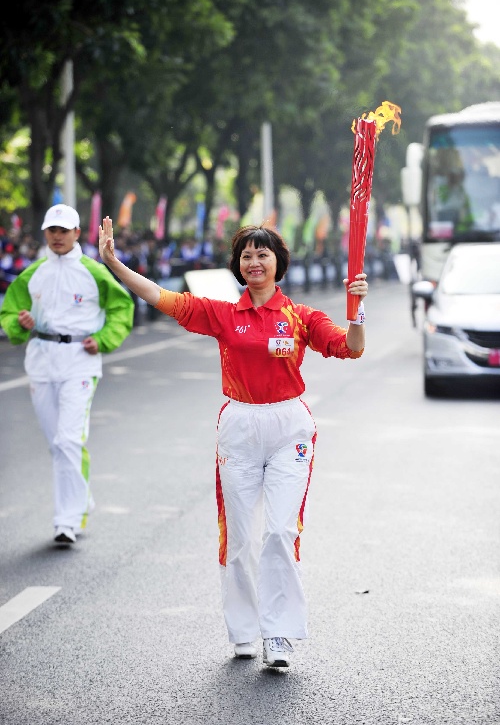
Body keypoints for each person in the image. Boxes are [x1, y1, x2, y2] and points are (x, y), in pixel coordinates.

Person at [98, 216, 368, 668]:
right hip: (240, 427)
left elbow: (352, 348)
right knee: (240, 536)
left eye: (263, 254)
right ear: (239, 267)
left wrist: (357, 311)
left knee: (281, 530)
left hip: (289, 428)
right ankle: (244, 629)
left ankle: (279, 633)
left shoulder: (301, 317)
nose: (254, 261)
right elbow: (159, 297)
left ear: (278, 263)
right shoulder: (223, 315)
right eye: (246, 255)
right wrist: (113, 263)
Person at [0, 204, 134, 545]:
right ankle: (81, 497)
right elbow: (10, 313)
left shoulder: (94, 271)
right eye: (52, 230)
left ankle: (68, 520)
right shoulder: (32, 275)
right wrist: (20, 323)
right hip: (42, 362)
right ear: (45, 233)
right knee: (57, 445)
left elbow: (122, 307)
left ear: (77, 233)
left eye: (64, 230)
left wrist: (103, 339)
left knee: (68, 440)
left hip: (80, 361)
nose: (58, 237)